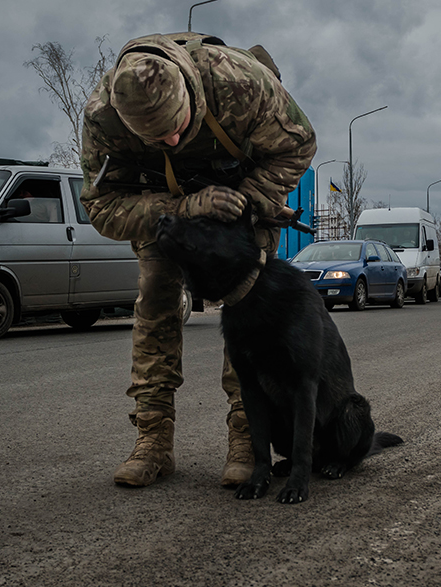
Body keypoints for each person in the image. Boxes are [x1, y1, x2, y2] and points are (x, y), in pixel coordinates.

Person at [80, 32, 316, 488]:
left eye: (176, 126)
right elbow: (101, 207)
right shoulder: (102, 118)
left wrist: (244, 205)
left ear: (190, 93)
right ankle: (153, 442)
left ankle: (248, 438)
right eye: (155, 137)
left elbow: (299, 145)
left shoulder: (239, 82)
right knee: (155, 303)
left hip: (241, 199)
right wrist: (186, 208)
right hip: (163, 208)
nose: (170, 139)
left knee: (250, 310)